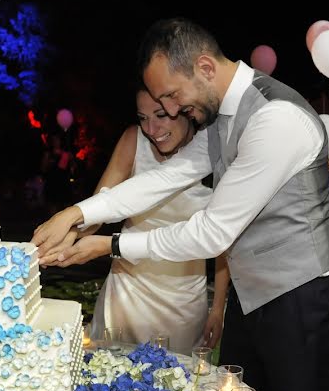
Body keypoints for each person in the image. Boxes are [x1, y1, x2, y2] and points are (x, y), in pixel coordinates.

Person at [33, 18, 329, 391]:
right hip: (255, 297)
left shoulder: (276, 118)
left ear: (204, 66)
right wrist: (78, 213)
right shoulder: (224, 118)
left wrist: (109, 243)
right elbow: (169, 177)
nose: (174, 110)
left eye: (174, 95)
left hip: (303, 296)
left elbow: (211, 234)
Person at [86, 88, 229, 354]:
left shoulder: (213, 154)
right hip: (126, 292)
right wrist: (68, 232)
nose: (151, 128)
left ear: (185, 110)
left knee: (176, 385)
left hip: (183, 303)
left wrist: (218, 307)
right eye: (143, 117)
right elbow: (98, 210)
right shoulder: (133, 140)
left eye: (161, 115)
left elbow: (221, 243)